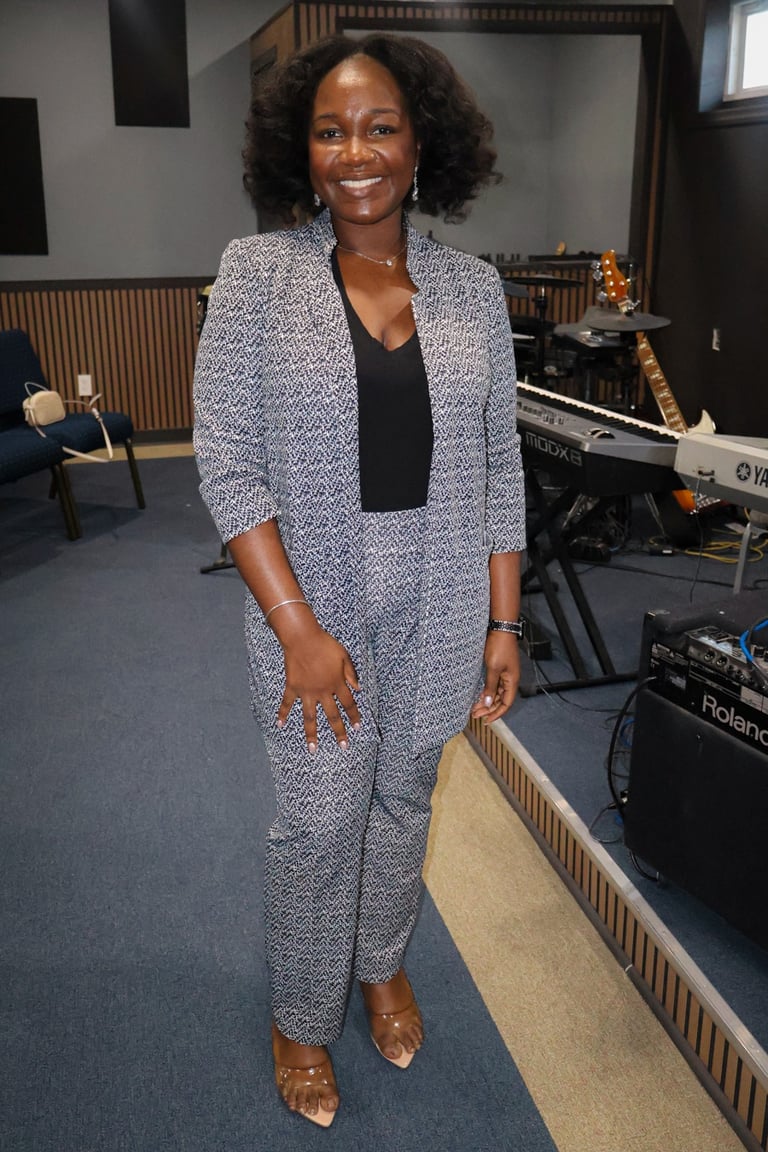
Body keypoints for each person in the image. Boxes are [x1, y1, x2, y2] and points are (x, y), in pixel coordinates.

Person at [193, 31, 526, 1127]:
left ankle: (381, 962)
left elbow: (498, 464)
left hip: (443, 588)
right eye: (330, 130)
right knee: (319, 820)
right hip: (311, 592)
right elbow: (228, 459)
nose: (355, 152)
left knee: (402, 797)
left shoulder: (473, 290)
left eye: (380, 127)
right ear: (301, 151)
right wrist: (296, 626)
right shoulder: (258, 275)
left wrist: (505, 622)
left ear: (421, 144)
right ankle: (302, 1017)